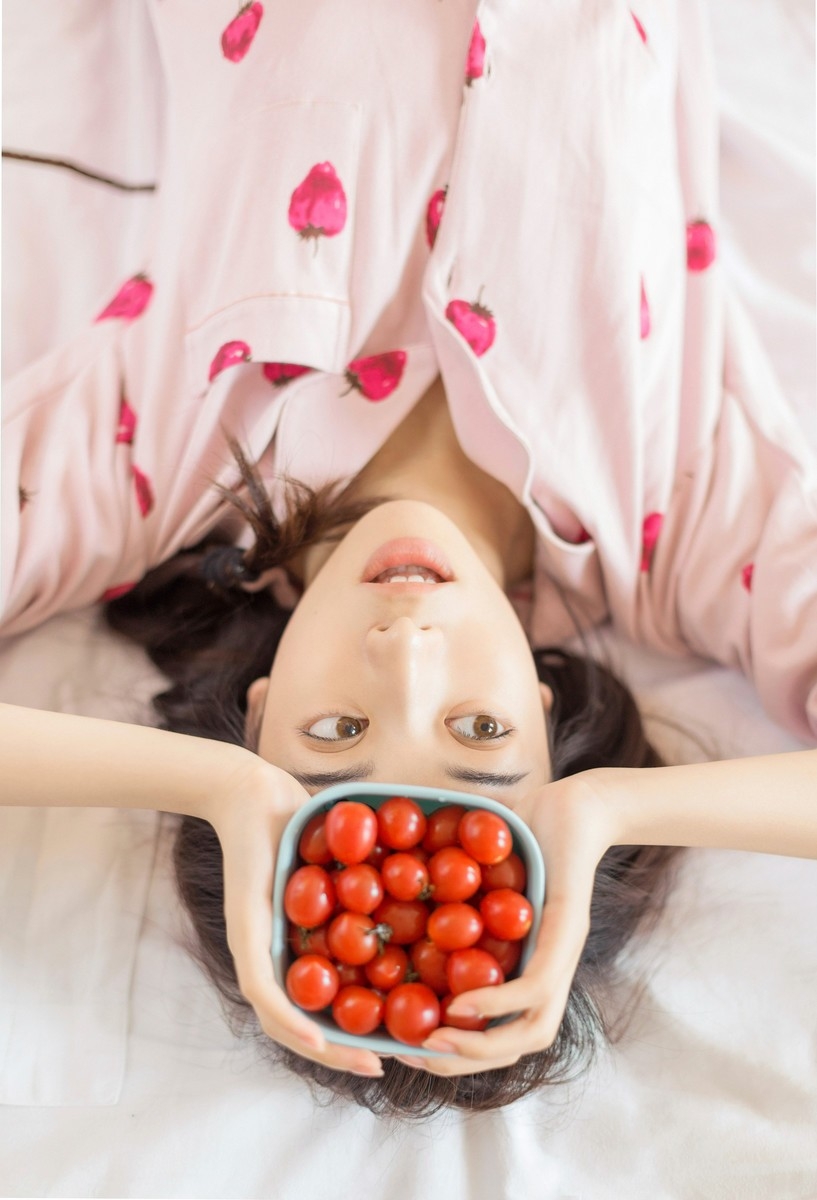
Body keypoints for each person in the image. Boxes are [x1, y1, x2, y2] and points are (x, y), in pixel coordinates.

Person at [2, 0, 816, 1116]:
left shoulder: (146, 453)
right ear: (541, 709)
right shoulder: (684, 513)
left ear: (260, 699)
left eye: (333, 731)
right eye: (480, 734)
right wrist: (606, 813)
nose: (407, 652)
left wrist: (216, 787)